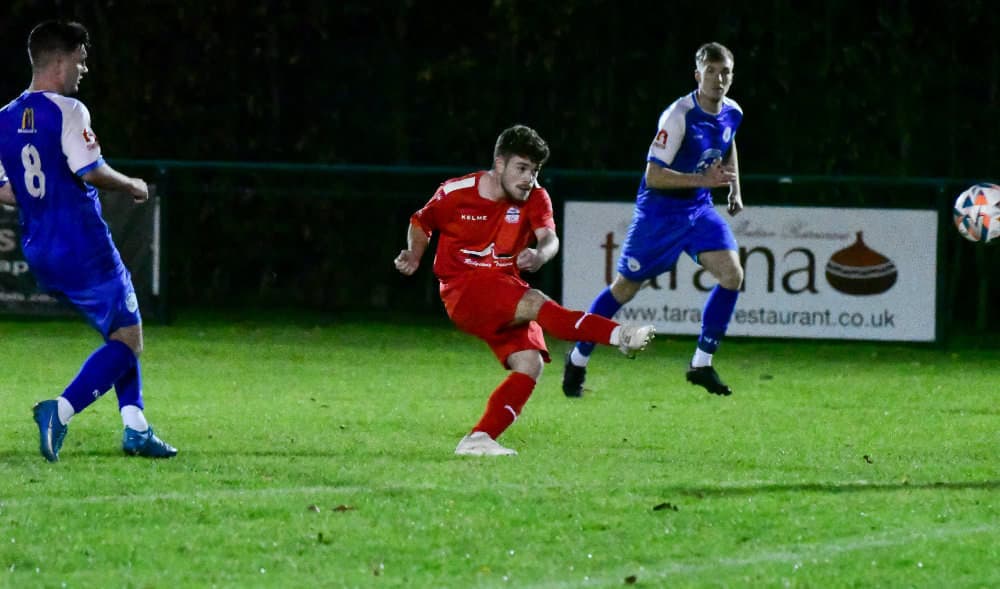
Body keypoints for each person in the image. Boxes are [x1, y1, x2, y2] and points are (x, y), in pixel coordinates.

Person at [395, 125, 655, 456]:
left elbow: (550, 238)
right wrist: (414, 254)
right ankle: (620, 335)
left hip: (503, 286)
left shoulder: (536, 197)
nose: (528, 179)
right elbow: (421, 221)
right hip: (463, 288)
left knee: (530, 363)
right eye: (521, 168)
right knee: (536, 304)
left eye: (534, 170)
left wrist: (540, 254)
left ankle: (479, 439)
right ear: (499, 164)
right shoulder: (457, 192)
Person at [0, 20, 177, 461]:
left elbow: (7, 191)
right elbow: (90, 169)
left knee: (119, 330)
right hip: (83, 245)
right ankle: (59, 411)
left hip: (40, 248)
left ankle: (136, 428)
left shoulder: (4, 118)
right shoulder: (69, 111)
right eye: (80, 60)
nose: (84, 69)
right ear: (59, 62)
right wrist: (132, 184)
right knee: (129, 340)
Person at [563, 42, 744, 398]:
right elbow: (654, 176)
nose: (718, 79)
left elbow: (729, 141)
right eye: (710, 71)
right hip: (659, 214)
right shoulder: (678, 116)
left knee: (732, 275)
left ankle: (701, 364)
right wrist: (702, 180)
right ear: (697, 75)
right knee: (624, 289)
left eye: (725, 72)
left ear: (732, 76)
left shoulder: (733, 111)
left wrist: (734, 188)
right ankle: (577, 359)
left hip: (698, 210)